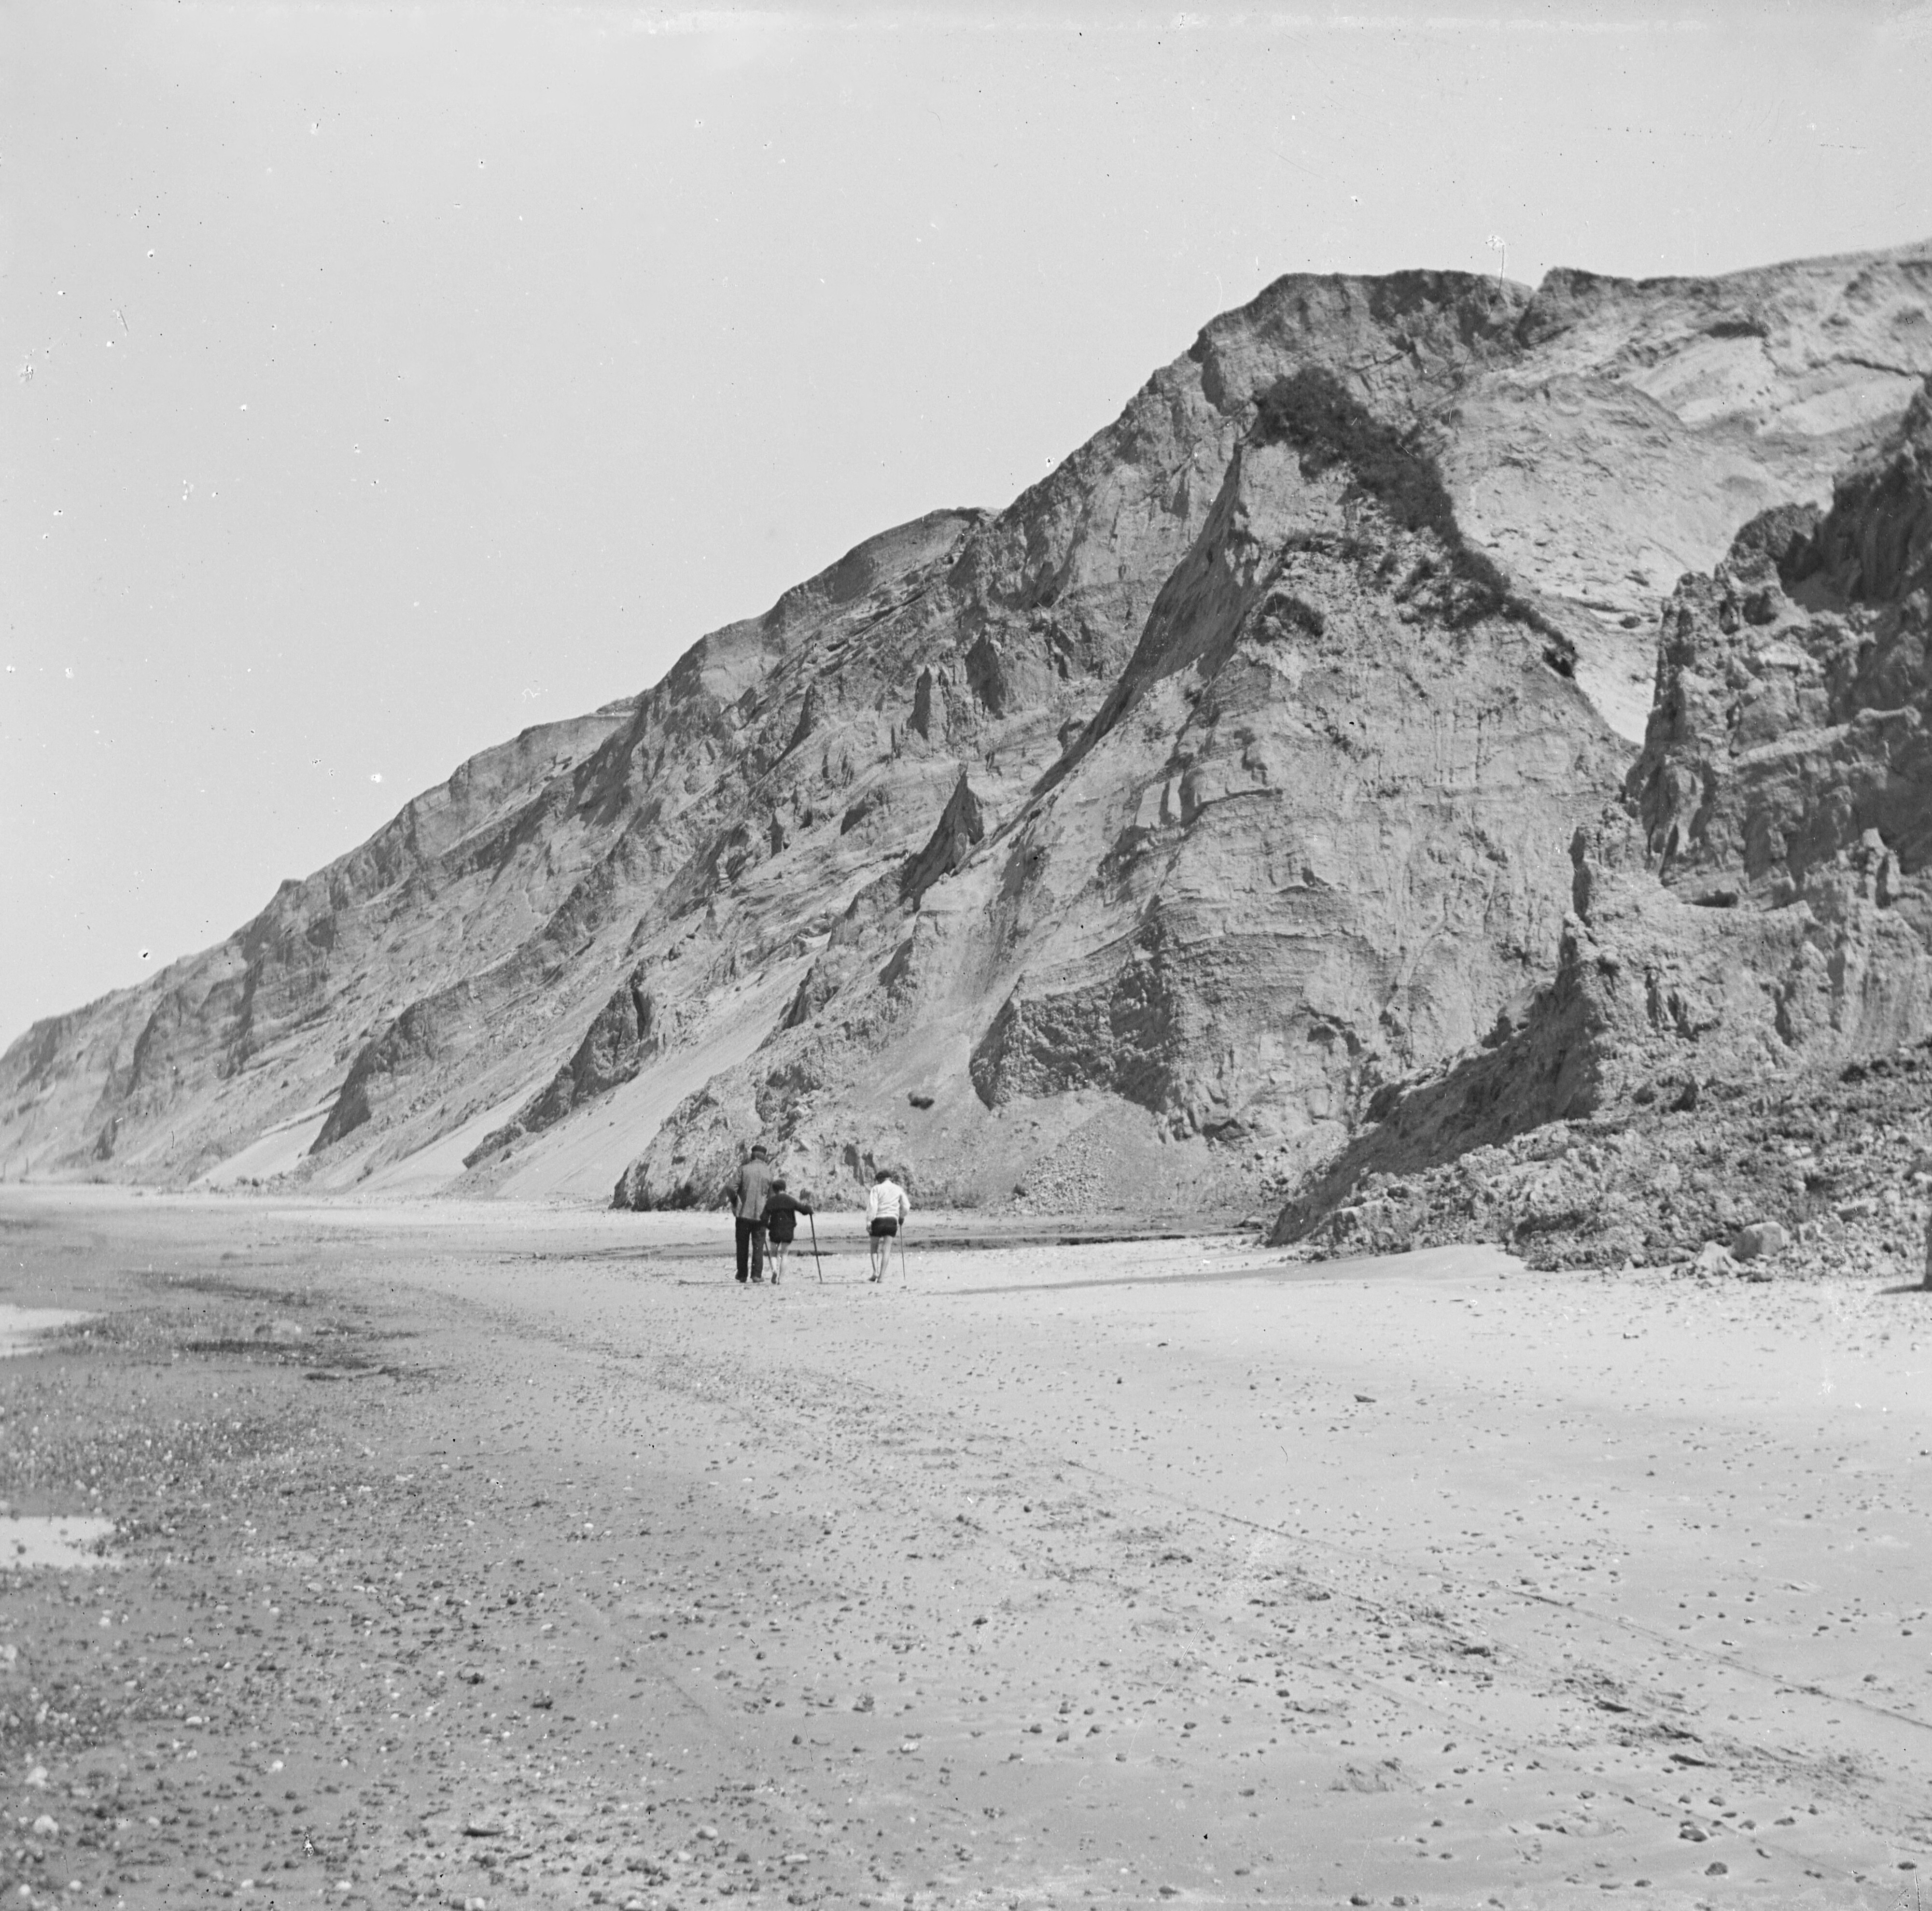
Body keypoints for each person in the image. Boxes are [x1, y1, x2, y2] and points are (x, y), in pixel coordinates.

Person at [730, 1143, 775, 1284]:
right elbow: (772, 1196)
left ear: (752, 1155)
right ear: (764, 1158)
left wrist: (734, 1202)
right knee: (758, 1245)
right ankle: (756, 1275)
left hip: (743, 1214)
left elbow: (731, 1187)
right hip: (761, 1216)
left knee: (742, 1245)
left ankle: (742, 1274)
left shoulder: (743, 1170)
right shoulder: (769, 1173)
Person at [761, 1176, 813, 1285]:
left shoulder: (771, 1201)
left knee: (774, 1253)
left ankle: (774, 1270)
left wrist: (767, 1226)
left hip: (775, 1230)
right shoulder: (790, 1200)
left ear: (774, 1190)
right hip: (788, 1230)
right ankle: (781, 1278)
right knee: (784, 1254)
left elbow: (764, 1218)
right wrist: (809, 1209)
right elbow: (803, 1210)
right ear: (784, 1188)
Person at [866, 1167, 910, 1283]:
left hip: (878, 1220)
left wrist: (869, 1221)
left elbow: (873, 1206)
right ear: (890, 1178)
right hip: (891, 1221)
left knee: (874, 1247)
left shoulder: (876, 1189)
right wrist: (901, 1217)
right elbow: (906, 1206)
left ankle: (875, 1272)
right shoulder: (898, 1189)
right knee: (886, 1249)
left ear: (880, 1179)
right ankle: (882, 1277)